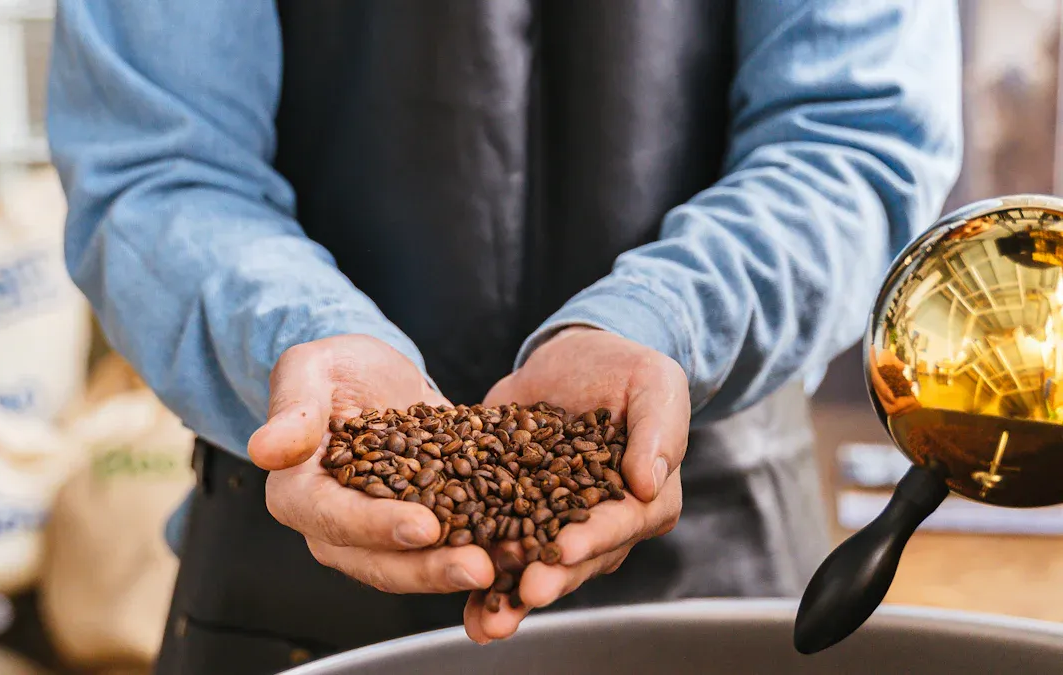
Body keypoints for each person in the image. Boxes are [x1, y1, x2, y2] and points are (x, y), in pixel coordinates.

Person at [46, 1, 962, 672]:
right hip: (290, 571)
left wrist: (663, 323)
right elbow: (156, 165)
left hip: (720, 561)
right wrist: (300, 331)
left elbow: (853, 139)